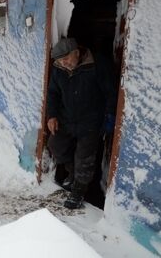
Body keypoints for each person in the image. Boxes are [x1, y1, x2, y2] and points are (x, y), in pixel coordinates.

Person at [46, 37, 117, 209]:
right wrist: (52, 115)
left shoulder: (98, 64)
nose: (64, 63)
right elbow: (53, 93)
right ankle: (72, 174)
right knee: (56, 146)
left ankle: (78, 192)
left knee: (85, 158)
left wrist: (109, 116)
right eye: (60, 61)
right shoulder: (59, 68)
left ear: (77, 52)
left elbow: (110, 92)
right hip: (66, 118)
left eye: (66, 58)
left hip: (90, 121)